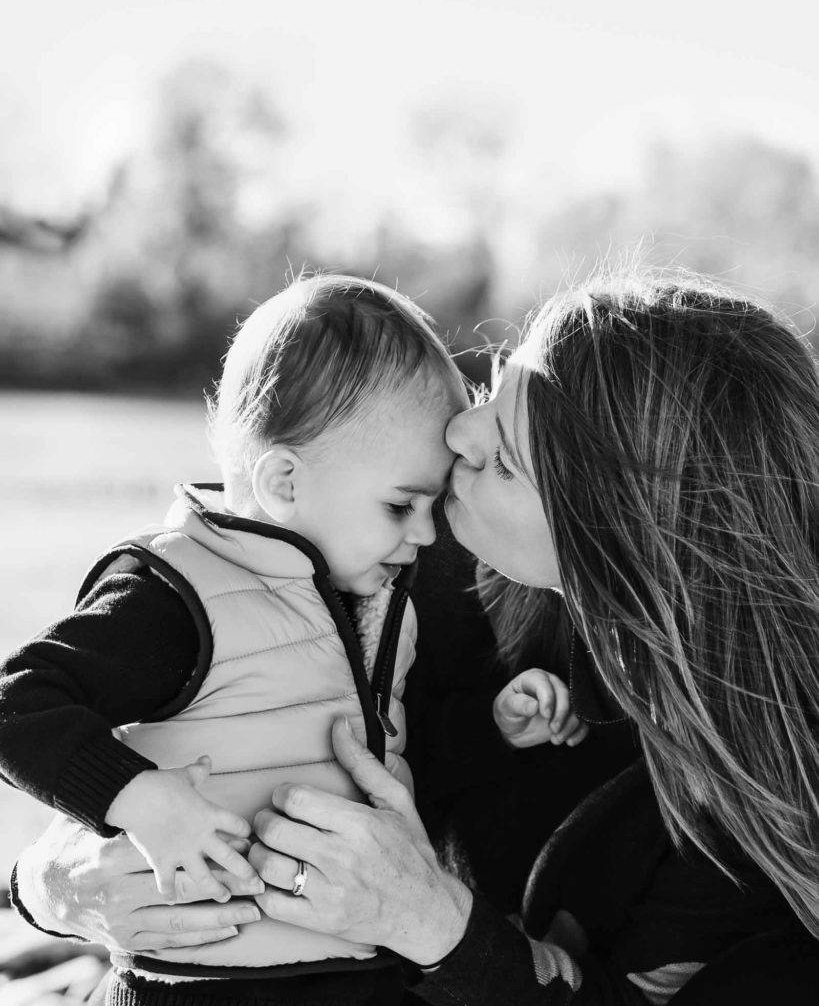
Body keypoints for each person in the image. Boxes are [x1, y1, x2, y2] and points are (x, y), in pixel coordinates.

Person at [14, 267, 819, 1003]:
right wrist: (54, 887)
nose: (462, 436)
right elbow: (148, 724)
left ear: (617, 532)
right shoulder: (399, 570)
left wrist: (436, 924)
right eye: (497, 387)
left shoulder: (756, 816)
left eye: (503, 459)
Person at [0, 273, 470, 1003]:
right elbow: (17, 707)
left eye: (434, 504)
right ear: (284, 482)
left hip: (363, 973)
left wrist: (514, 717)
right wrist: (141, 802)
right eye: (401, 504)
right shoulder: (175, 595)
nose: (427, 532)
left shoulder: (386, 603)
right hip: (200, 983)